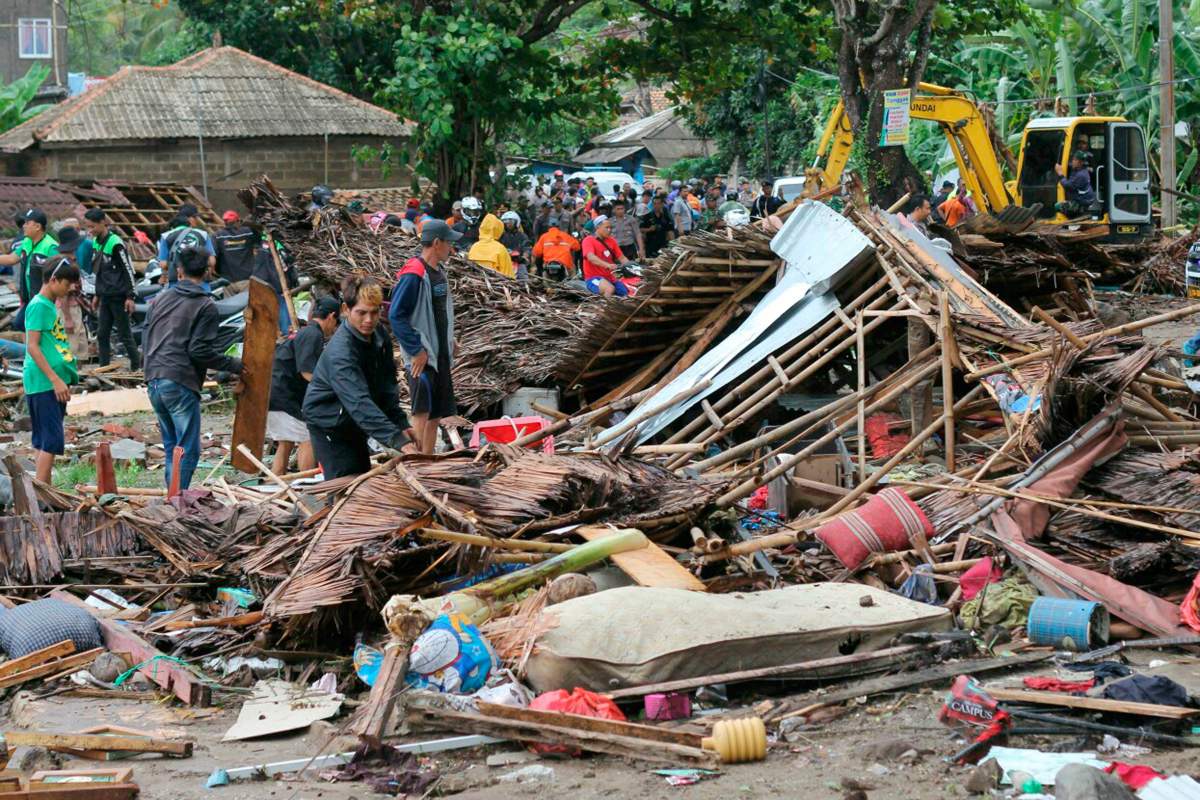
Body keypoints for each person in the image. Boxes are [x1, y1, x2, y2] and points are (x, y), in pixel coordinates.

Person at [143, 239, 243, 491]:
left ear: (179, 272)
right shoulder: (205, 305)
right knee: (187, 448)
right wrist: (235, 364)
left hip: (154, 378)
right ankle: (177, 501)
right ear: (207, 272)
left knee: (171, 446)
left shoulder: (161, 299)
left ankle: (172, 498)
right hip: (178, 379)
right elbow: (199, 351)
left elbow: (146, 336)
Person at [305, 276, 416, 476]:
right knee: (344, 484)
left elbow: (386, 386)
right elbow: (359, 402)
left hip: (353, 420)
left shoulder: (379, 335)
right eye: (361, 313)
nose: (368, 320)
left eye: (374, 313)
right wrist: (398, 440)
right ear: (346, 310)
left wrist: (401, 423)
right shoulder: (341, 353)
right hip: (329, 423)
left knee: (361, 476)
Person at [388, 220, 459, 455]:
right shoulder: (414, 275)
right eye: (448, 242)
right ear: (437, 243)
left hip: (439, 354)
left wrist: (450, 340)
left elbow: (440, 312)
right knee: (421, 412)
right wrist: (416, 350)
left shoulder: (439, 272)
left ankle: (428, 460)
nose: (451, 247)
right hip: (423, 357)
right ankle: (416, 462)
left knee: (436, 413)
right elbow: (396, 315)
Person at [268, 296, 341, 474]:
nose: (335, 327)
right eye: (337, 322)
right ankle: (306, 484)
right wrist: (332, 389)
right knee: (308, 436)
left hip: (274, 393)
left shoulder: (305, 332)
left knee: (286, 441)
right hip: (283, 396)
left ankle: (278, 483)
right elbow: (307, 371)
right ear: (331, 316)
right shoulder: (313, 334)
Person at [23, 256, 79, 484]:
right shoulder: (38, 306)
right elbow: (33, 347)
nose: (70, 288)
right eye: (67, 284)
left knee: (43, 441)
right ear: (54, 279)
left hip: (48, 381)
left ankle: (41, 493)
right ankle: (42, 496)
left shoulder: (47, 305)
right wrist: (55, 379)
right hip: (44, 382)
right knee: (52, 441)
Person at [83, 209, 139, 370]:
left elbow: (128, 270)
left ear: (103, 223)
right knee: (102, 334)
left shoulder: (116, 243)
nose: (90, 230)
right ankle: (104, 367)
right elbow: (99, 271)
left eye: (92, 226)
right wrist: (97, 294)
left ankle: (137, 366)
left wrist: (130, 296)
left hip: (119, 296)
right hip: (105, 296)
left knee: (124, 334)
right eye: (88, 227)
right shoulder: (96, 242)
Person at [0, 209, 59, 331]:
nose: (24, 226)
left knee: (34, 329)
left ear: (37, 226)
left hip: (43, 301)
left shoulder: (51, 247)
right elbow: (12, 258)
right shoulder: (27, 242)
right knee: (22, 325)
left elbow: (59, 276)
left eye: (27, 223)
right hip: (29, 298)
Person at [157, 204, 216, 285]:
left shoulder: (166, 236)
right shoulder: (203, 234)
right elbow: (212, 261)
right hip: (201, 285)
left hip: (177, 285)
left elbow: (163, 265)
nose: (197, 220)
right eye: (194, 217)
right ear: (188, 218)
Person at [252, 238, 299, 335]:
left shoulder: (266, 249)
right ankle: (287, 332)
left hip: (271, 285)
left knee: (281, 309)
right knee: (282, 309)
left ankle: (287, 333)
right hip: (274, 285)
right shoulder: (275, 248)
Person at [582, 215, 634, 297]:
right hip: (593, 278)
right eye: (607, 228)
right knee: (609, 289)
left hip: (610, 277)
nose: (609, 230)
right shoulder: (588, 240)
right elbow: (590, 257)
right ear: (598, 227)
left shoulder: (612, 241)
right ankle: (605, 309)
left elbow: (622, 258)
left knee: (626, 293)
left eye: (610, 228)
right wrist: (607, 265)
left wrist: (632, 266)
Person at [212, 210, 259, 287]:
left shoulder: (218, 236)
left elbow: (213, 256)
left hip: (227, 282)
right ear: (237, 221)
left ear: (225, 222)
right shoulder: (248, 232)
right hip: (247, 279)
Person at [467, 213, 515, 278]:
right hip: (497, 285)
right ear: (498, 229)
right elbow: (508, 275)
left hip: (474, 283)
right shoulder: (500, 249)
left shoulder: (474, 247)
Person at [1055, 151, 1096, 217]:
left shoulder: (1081, 175)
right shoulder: (1080, 169)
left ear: (1081, 163)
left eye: (1075, 160)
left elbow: (1068, 186)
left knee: (1057, 206)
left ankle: (1075, 219)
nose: (1073, 161)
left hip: (1082, 203)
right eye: (1073, 159)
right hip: (1082, 200)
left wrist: (1060, 174)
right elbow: (1070, 166)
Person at [499, 210, 531, 280]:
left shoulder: (522, 236)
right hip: (504, 261)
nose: (509, 224)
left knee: (523, 277)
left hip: (518, 262)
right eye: (506, 222)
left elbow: (527, 248)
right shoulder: (501, 236)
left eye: (511, 222)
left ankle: (525, 287)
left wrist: (524, 256)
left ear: (517, 222)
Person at [640, 194, 675, 259]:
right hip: (650, 245)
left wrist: (673, 244)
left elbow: (670, 230)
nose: (656, 206)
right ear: (652, 205)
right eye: (655, 204)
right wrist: (649, 229)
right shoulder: (647, 215)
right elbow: (640, 229)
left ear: (662, 204)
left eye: (658, 203)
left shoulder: (666, 216)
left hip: (663, 245)